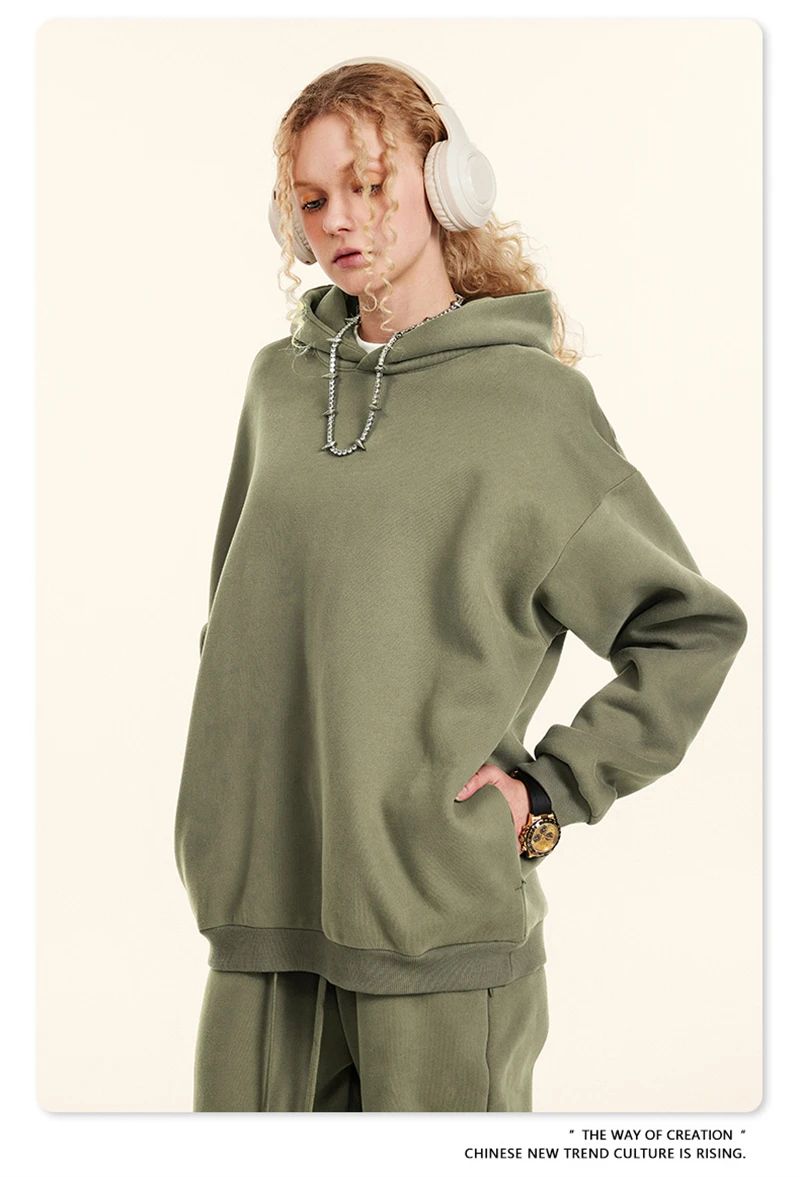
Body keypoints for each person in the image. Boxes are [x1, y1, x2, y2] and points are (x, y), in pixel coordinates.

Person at [174, 56, 748, 1113]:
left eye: (368, 183)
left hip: (438, 935)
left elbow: (687, 629)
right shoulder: (275, 387)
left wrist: (551, 791)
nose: (339, 221)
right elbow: (235, 625)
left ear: (444, 182)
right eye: (312, 199)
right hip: (260, 928)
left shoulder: (529, 409)